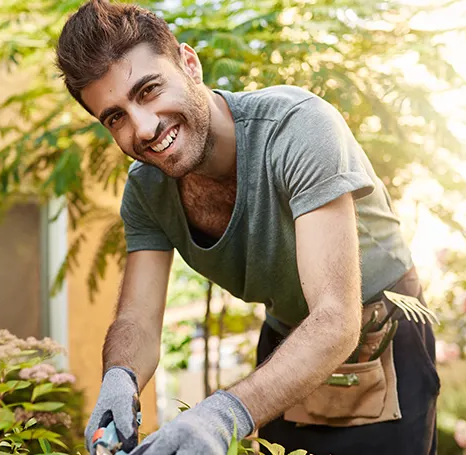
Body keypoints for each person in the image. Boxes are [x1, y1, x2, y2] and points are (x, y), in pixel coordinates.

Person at [55, 1, 440, 454]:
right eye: (115, 117)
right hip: (287, 340)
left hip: (382, 336)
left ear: (190, 64)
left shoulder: (298, 128)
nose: (144, 127)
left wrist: (221, 414)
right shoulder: (146, 190)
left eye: (149, 90)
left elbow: (337, 320)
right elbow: (138, 319)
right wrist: (119, 377)